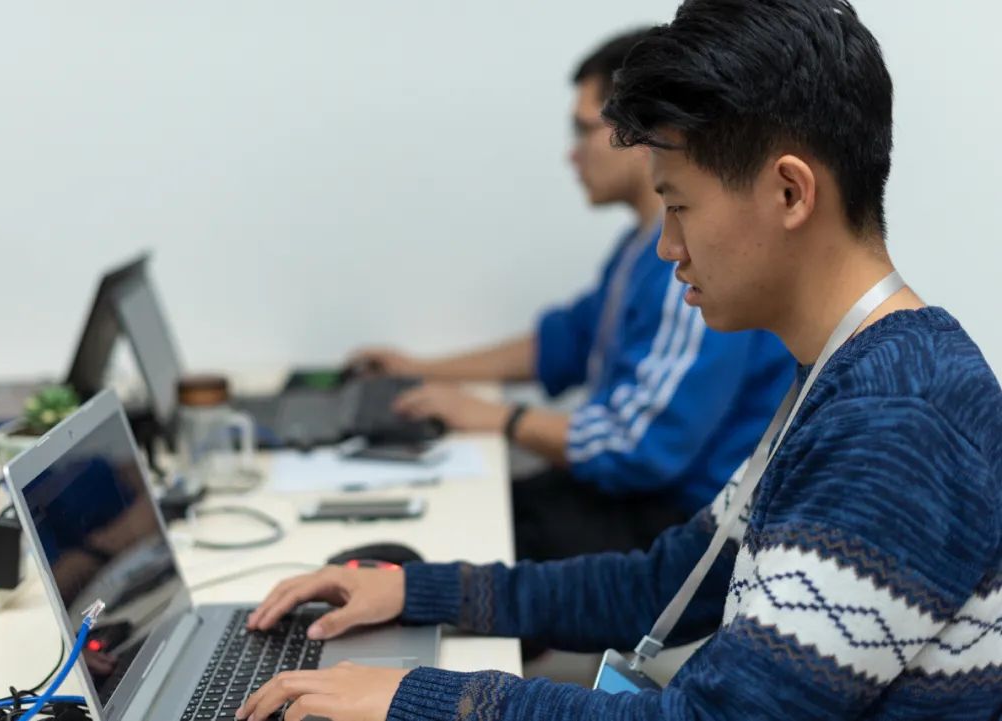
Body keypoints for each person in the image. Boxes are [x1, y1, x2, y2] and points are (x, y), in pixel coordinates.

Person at [237, 1, 1002, 718]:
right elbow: (663, 582)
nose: (667, 247)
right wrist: (419, 591)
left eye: (680, 207)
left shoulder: (900, 425)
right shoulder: (849, 373)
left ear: (789, 193)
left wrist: (419, 697)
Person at [356, 30, 794, 561]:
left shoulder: (695, 265)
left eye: (584, 129)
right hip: (628, 498)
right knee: (452, 518)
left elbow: (642, 449)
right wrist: (423, 370)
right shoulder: (639, 249)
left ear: (644, 132)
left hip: (673, 523)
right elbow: (564, 343)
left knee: (455, 547)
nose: (572, 153)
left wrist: (500, 418)